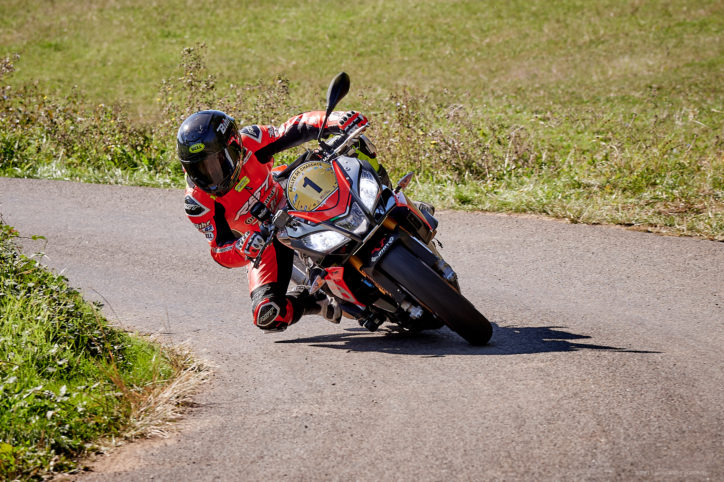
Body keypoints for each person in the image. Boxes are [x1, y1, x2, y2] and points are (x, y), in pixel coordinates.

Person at [177, 109, 375, 332]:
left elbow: (294, 128)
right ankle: (315, 302)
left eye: (218, 162)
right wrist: (242, 248)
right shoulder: (197, 203)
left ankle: (395, 207)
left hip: (292, 196)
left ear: (234, 146)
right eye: (200, 169)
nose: (212, 174)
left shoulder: (250, 140)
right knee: (268, 314)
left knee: (348, 155)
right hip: (265, 239)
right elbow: (218, 250)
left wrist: (335, 120)